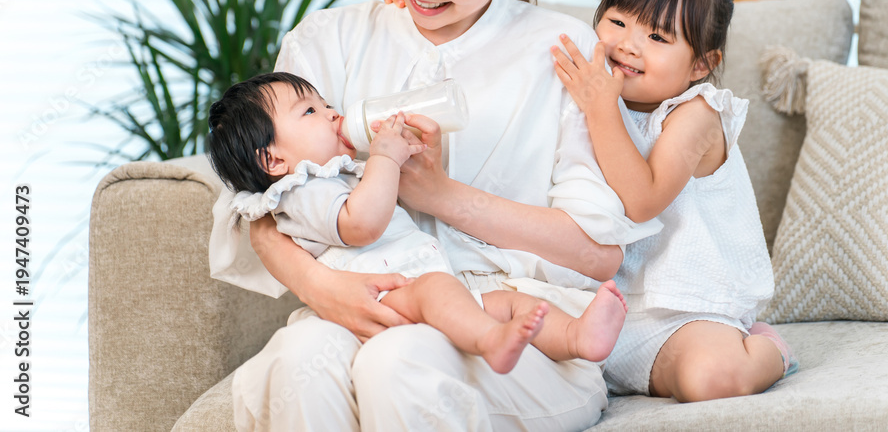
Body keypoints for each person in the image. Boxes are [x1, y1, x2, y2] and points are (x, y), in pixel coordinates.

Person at [207, 0, 657, 431]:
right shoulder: (328, 41)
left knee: (399, 362)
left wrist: (442, 197)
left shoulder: (564, 53)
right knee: (300, 358)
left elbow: (599, 255)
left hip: (517, 324)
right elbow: (258, 199)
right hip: (367, 299)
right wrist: (319, 287)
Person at [207, 71, 629, 376]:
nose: (334, 114)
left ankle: (576, 337)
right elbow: (360, 225)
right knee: (442, 292)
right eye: (311, 111)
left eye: (327, 104)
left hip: (420, 288)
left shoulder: (336, 174)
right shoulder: (299, 191)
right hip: (385, 296)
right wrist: (384, 158)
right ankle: (489, 341)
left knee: (508, 303)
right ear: (272, 160)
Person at [550, 0, 798, 403]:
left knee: (712, 379)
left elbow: (643, 201)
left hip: (682, 313)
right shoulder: (590, 92)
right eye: (617, 21)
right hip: (591, 305)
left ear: (701, 64)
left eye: (657, 36)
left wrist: (601, 110)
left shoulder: (696, 114)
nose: (628, 45)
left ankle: (769, 350)